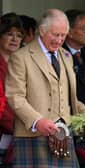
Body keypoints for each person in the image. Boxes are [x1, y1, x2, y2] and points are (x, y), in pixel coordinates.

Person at [5, 9, 85, 168]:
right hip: (33, 136)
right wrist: (38, 121)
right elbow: (15, 96)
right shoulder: (20, 57)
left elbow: (71, 99)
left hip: (65, 135)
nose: (60, 40)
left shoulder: (67, 56)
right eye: (55, 35)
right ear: (42, 31)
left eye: (63, 35)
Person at [0, 12, 24, 168]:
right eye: (9, 34)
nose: (15, 39)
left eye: (19, 35)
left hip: (22, 134)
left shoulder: (23, 63)